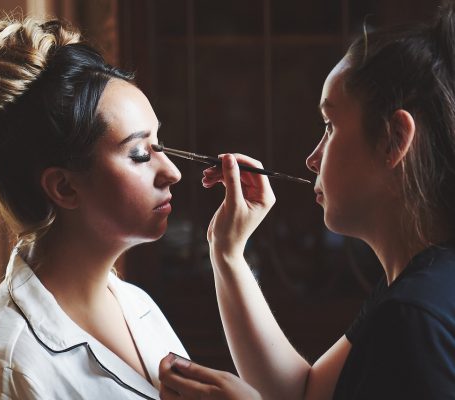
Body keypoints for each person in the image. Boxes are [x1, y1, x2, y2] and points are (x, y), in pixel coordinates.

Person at [159, 3, 455, 400]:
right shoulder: (412, 288)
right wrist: (227, 252)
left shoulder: (415, 316)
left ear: (394, 140)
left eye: (330, 127)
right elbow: (303, 392)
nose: (312, 158)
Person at [0, 16, 188, 399]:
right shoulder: (8, 367)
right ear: (64, 187)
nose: (173, 173)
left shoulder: (137, 307)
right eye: (138, 153)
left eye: (159, 145)